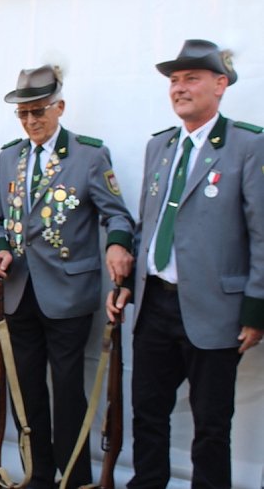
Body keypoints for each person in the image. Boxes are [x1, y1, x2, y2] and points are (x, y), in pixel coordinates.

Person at [107, 39, 264, 488]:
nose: (179, 88)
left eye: (191, 78)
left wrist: (256, 311)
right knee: (148, 415)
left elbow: (261, 235)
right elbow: (149, 225)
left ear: (221, 85)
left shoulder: (248, 145)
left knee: (212, 426)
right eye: (174, 81)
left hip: (216, 309)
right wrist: (128, 283)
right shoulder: (160, 147)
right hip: (157, 302)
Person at [0, 64, 135, 489]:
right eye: (23, 114)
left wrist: (118, 245)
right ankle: (38, 474)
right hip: (17, 292)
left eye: (39, 112)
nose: (31, 121)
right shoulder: (8, 156)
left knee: (68, 391)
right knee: (25, 389)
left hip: (68, 291)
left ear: (60, 107)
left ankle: (74, 479)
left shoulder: (89, 155)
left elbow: (116, 214)